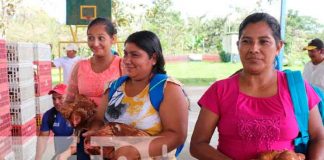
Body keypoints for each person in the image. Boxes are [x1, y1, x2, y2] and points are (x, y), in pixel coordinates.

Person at [190, 12, 324, 160]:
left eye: (264, 41)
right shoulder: (220, 90)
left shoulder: (298, 88)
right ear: (238, 45)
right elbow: (198, 144)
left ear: (278, 47)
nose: (254, 48)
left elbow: (319, 137)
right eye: (246, 41)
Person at [82, 30, 189, 159]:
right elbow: (98, 119)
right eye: (125, 54)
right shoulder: (114, 87)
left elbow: (176, 135)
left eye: (135, 55)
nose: (127, 60)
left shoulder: (167, 88)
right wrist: (95, 131)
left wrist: (137, 150)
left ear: (153, 58)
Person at [57, 17, 123, 160]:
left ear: (113, 39)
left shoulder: (122, 65)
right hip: (85, 136)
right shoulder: (80, 66)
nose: (95, 43)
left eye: (101, 38)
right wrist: (74, 115)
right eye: (90, 38)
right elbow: (68, 100)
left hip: (115, 137)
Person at [35, 83, 74, 160]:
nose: (56, 102)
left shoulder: (76, 113)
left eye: (60, 98)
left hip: (76, 152)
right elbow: (42, 140)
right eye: (54, 98)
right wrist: (38, 158)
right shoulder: (48, 115)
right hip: (60, 154)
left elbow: (80, 140)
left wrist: (66, 154)